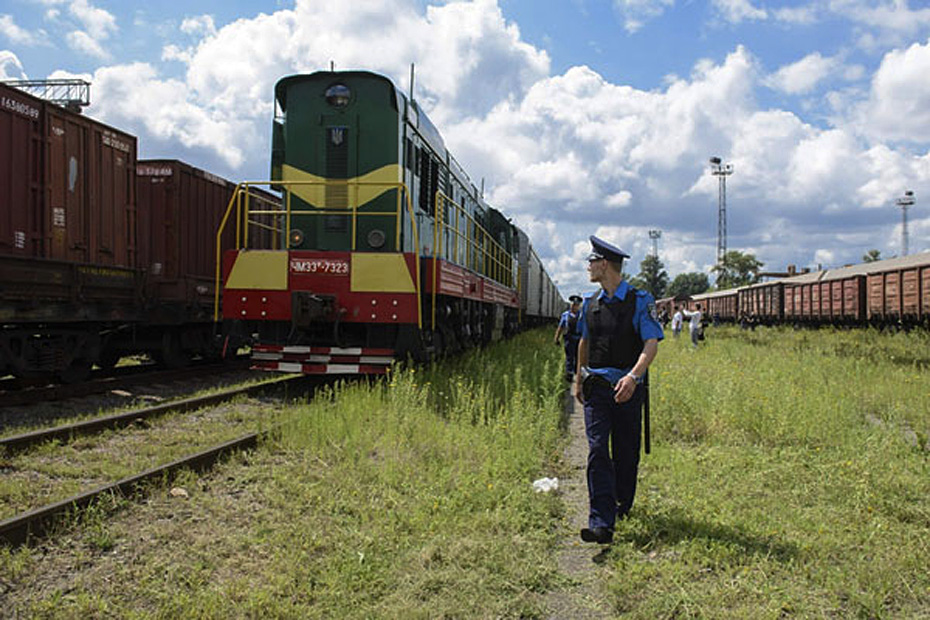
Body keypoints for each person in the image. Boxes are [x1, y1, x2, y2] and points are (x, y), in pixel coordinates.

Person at [573, 236, 663, 544]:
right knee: (598, 449)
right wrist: (578, 377)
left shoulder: (640, 300)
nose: (588, 266)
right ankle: (601, 521)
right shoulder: (589, 304)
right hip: (597, 387)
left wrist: (634, 377)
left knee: (626, 452)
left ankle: (622, 503)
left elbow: (651, 344)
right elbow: (584, 341)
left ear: (604, 264)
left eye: (591, 261)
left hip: (627, 387)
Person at [554, 295, 583, 381]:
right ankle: (569, 375)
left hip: (578, 339)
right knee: (569, 357)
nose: (574, 306)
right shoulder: (565, 315)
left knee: (578, 357)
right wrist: (556, 338)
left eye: (576, 305)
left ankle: (577, 374)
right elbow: (560, 327)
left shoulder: (581, 315)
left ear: (578, 306)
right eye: (573, 304)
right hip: (569, 339)